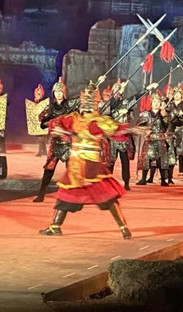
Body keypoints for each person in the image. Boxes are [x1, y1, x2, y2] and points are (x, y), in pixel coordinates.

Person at [38, 81, 134, 239]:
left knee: (108, 197)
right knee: (65, 195)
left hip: (90, 166)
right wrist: (58, 128)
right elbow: (56, 122)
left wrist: (131, 129)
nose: (86, 107)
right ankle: (55, 226)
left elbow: (117, 130)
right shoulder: (76, 119)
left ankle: (124, 228)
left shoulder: (95, 121)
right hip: (77, 166)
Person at [33, 78, 80, 202]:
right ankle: (41, 194)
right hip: (55, 143)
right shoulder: (50, 107)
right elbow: (42, 124)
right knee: (49, 169)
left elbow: (82, 103)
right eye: (56, 92)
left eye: (61, 92)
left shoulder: (70, 105)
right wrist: (53, 123)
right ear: (54, 93)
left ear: (64, 93)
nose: (58, 94)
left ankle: (74, 196)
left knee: (71, 169)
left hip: (69, 143)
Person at [102, 79, 147, 191]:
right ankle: (108, 183)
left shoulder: (126, 103)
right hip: (113, 136)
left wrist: (145, 90)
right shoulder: (109, 104)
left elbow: (136, 98)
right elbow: (113, 105)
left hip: (124, 137)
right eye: (116, 91)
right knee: (111, 162)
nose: (118, 92)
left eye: (120, 91)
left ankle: (126, 182)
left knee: (125, 162)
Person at [136, 86, 169, 186]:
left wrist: (164, 116)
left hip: (160, 139)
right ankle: (143, 179)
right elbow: (139, 124)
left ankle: (163, 180)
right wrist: (145, 130)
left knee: (161, 160)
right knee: (146, 159)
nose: (156, 103)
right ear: (151, 103)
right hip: (150, 139)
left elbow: (166, 125)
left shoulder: (163, 114)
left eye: (158, 102)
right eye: (154, 101)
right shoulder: (146, 114)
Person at [26, 83, 49, 157]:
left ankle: (40, 151)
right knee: (40, 137)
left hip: (43, 121)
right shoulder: (36, 103)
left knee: (42, 137)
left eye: (38, 94)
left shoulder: (44, 103)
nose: (36, 95)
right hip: (37, 122)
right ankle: (44, 151)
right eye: (35, 94)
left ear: (41, 95)